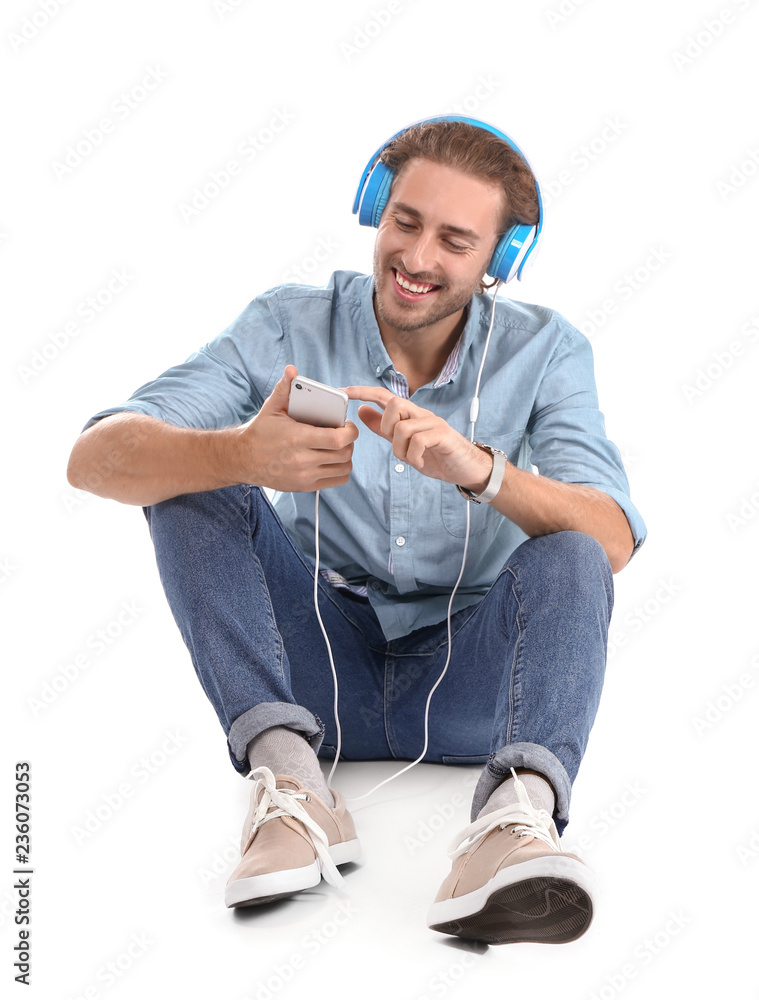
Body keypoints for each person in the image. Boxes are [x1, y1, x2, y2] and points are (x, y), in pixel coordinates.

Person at [67, 116, 646, 945]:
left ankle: (514, 824)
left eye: (454, 239)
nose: (416, 258)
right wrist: (241, 452)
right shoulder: (285, 325)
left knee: (571, 550)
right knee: (193, 479)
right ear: (376, 209)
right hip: (313, 677)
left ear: (500, 259)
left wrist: (482, 472)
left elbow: (613, 539)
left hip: (473, 690)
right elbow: (93, 460)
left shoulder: (547, 351)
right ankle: (294, 789)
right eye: (405, 222)